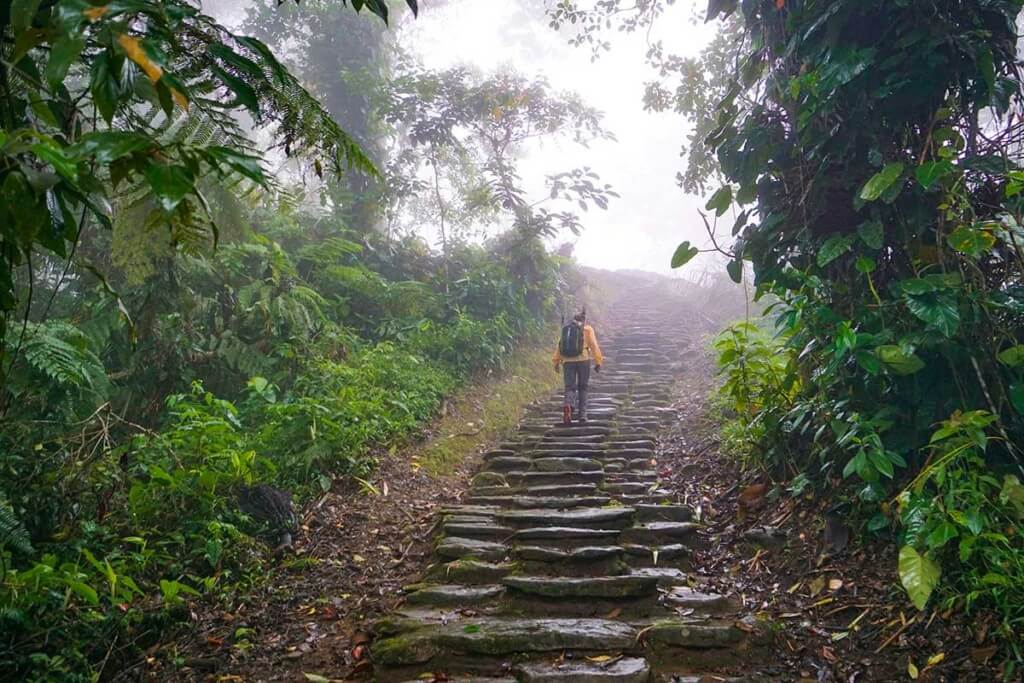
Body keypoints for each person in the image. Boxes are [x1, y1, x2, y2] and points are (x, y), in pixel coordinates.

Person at [552, 311, 603, 425]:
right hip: (583, 361)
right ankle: (582, 415)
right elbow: (594, 346)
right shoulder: (587, 329)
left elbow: (559, 345)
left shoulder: (567, 329)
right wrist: (598, 361)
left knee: (569, 387)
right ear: (584, 320)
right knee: (583, 387)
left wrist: (556, 362)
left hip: (567, 361)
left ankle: (568, 405)